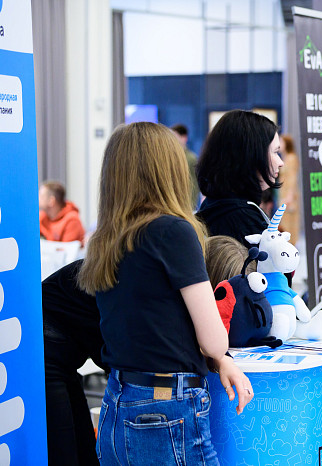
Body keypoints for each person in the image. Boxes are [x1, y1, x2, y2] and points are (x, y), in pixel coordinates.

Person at [77, 122, 253, 465]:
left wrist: (221, 360)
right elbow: (214, 341)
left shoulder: (105, 240)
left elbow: (157, 329)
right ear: (168, 169)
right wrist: (221, 356)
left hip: (117, 404)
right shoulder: (173, 232)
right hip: (166, 409)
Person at [42, 259, 103, 466]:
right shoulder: (117, 275)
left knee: (83, 448)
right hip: (45, 357)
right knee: (65, 450)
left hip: (64, 358)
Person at [196, 110, 284, 249]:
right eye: (275, 152)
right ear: (251, 156)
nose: (280, 162)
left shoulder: (216, 206)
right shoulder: (242, 219)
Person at [171, 123, 201, 210]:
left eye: (175, 137)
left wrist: (190, 205)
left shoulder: (191, 158)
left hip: (187, 205)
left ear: (184, 138)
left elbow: (194, 185)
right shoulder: (171, 157)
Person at [278, 134, 301, 245]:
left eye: (281, 142)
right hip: (284, 194)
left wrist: (289, 197)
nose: (279, 144)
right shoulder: (285, 158)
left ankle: (291, 245)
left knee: (290, 223)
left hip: (289, 196)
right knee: (285, 221)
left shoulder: (291, 158)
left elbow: (292, 178)